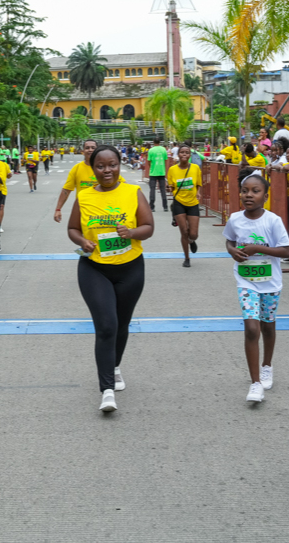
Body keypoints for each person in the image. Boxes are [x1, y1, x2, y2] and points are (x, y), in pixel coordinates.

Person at [68, 145, 154, 412]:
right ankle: (106, 389)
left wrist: (131, 232)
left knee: (122, 323)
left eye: (112, 164)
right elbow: (72, 228)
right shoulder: (83, 196)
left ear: (120, 164)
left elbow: (148, 227)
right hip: (94, 268)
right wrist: (83, 241)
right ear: (92, 169)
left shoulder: (132, 192)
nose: (107, 170)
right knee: (106, 325)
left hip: (130, 268)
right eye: (101, 166)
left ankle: (114, 366)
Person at [224, 168, 289, 403]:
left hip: (270, 282)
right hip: (246, 282)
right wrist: (232, 251)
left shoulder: (273, 221)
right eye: (244, 191)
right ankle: (255, 384)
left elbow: (286, 251)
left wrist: (257, 249)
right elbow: (230, 240)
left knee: (267, 326)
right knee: (252, 328)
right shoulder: (234, 219)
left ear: (265, 195)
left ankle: (267, 365)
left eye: (255, 191)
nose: (248, 195)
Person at [53, 139, 126, 223]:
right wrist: (58, 209)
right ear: (83, 151)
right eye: (87, 148)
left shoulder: (105, 168)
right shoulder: (76, 169)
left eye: (93, 147)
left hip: (105, 211)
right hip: (84, 211)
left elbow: (124, 186)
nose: (90, 150)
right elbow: (66, 190)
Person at [167, 144, 203, 267]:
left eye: (187, 152)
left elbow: (198, 183)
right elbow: (171, 187)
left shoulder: (195, 168)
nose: (184, 154)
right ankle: (187, 258)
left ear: (189, 155)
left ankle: (192, 241)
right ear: (178, 154)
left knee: (193, 234)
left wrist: (198, 193)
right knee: (184, 231)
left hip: (193, 203)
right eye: (182, 152)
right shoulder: (172, 170)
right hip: (179, 203)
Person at [147, 137, 169, 212]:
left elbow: (149, 161)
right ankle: (165, 206)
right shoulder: (163, 150)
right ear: (160, 142)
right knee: (163, 189)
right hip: (161, 172)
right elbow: (166, 160)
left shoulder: (151, 150)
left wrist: (152, 167)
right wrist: (163, 168)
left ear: (153, 142)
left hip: (153, 172)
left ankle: (152, 206)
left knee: (152, 189)